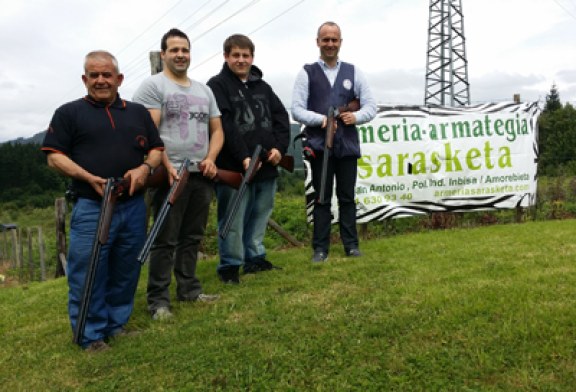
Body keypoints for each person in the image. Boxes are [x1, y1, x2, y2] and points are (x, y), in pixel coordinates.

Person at [42, 50, 164, 351]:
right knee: (89, 272)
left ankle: (115, 325)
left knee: (127, 268)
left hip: (133, 205)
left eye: (106, 74)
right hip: (91, 205)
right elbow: (54, 157)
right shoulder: (68, 113)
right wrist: (87, 177)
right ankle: (90, 335)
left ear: (118, 78)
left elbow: (156, 149)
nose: (100, 80)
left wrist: (144, 168)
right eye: (93, 75)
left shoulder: (138, 113)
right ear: (85, 79)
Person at [133, 28, 224, 320]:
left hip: (200, 173)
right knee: (165, 239)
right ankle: (158, 301)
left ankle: (189, 290)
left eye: (184, 49)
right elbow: (147, 133)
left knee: (192, 236)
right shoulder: (153, 86)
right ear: (163, 55)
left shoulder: (204, 90)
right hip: (169, 175)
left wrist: (211, 158)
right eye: (174, 50)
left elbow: (218, 130)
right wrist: (166, 165)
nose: (180, 55)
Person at [207, 34, 290, 284]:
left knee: (260, 214)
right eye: (236, 55)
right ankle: (230, 267)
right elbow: (226, 125)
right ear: (226, 56)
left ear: (252, 57)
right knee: (232, 218)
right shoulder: (217, 85)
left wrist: (279, 148)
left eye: (245, 55)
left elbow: (281, 117)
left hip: (267, 164)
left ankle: (255, 258)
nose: (241, 60)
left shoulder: (263, 87)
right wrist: (243, 156)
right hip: (235, 167)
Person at [291, 21, 377, 262]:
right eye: (325, 39)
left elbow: (371, 106)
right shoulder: (306, 73)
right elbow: (296, 109)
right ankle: (320, 248)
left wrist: (355, 116)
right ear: (318, 42)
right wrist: (321, 120)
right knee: (321, 198)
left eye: (334, 39)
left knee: (347, 197)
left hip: (347, 145)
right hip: (319, 147)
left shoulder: (354, 71)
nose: (330, 44)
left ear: (340, 42)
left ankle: (351, 245)